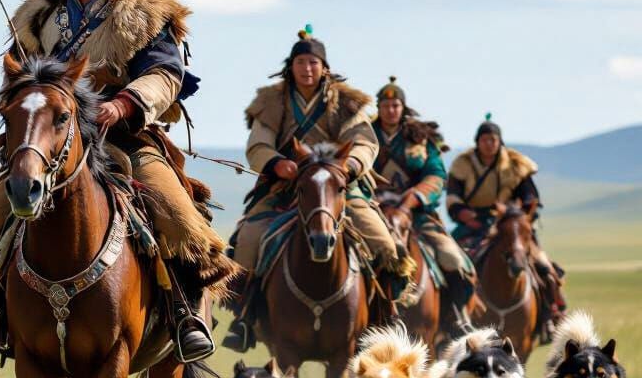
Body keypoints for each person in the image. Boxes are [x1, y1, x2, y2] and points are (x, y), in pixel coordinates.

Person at [0, 0, 235, 363]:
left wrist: (124, 103)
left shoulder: (142, 12)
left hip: (124, 136)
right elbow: (18, 78)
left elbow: (166, 73)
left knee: (177, 215)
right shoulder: (39, 15)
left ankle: (184, 316)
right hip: (52, 139)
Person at [222, 29, 414, 352]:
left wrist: (350, 166)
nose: (307, 68)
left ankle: (386, 315)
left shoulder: (346, 102)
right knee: (248, 238)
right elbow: (258, 144)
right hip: (288, 187)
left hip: (339, 186)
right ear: (291, 66)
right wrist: (276, 163)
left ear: (324, 67)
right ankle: (245, 319)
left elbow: (364, 142)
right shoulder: (272, 101)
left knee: (384, 243)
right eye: (301, 62)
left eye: (313, 62)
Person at [372, 76, 476, 330]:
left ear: (403, 107)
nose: (390, 110)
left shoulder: (419, 137)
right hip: (373, 213)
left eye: (395, 105)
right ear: (378, 108)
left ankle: (456, 318)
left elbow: (436, 174)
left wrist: (411, 200)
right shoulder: (365, 135)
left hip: (416, 215)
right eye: (385, 106)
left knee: (453, 259)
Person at [446, 114, 566, 331]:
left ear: (499, 141)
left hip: (511, 225)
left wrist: (520, 214)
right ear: (477, 142)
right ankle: (450, 317)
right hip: (473, 225)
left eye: (493, 139)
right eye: (485, 139)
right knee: (454, 265)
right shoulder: (462, 164)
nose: (489, 143)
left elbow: (530, 196)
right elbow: (453, 198)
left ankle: (553, 313)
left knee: (544, 267)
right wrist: (465, 215)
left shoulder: (515, 164)